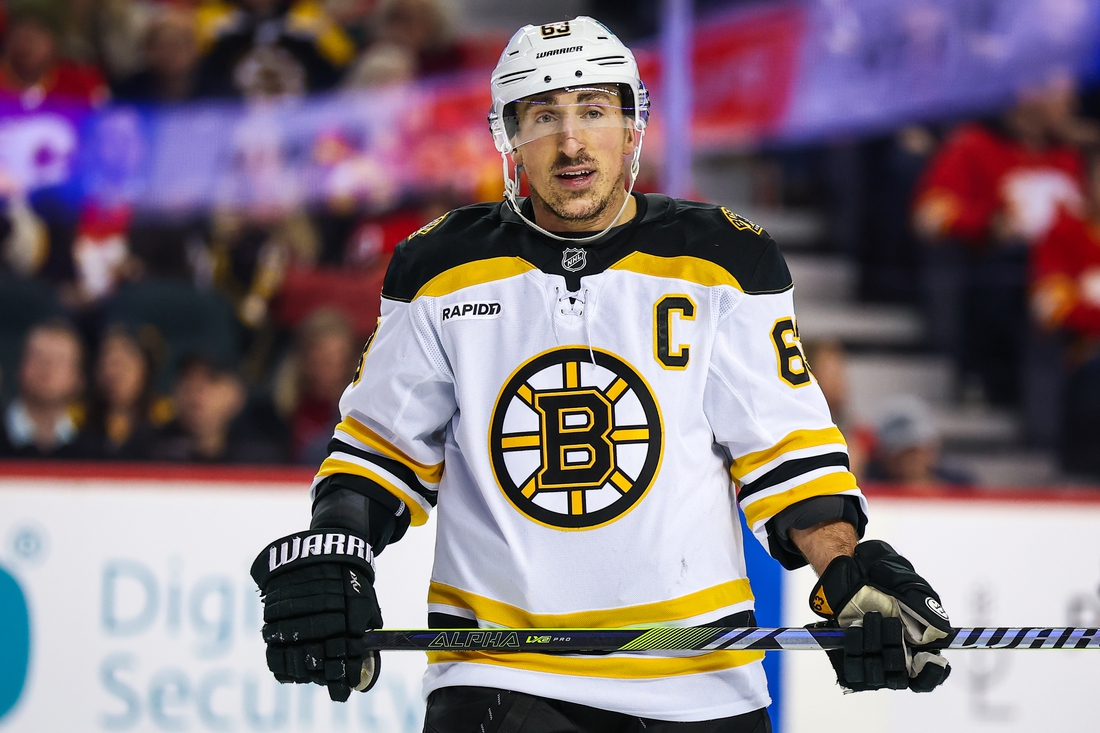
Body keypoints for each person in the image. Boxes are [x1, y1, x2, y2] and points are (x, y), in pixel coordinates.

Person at [250, 17, 953, 730]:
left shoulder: (724, 258)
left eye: (592, 110)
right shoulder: (439, 267)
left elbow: (788, 454)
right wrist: (337, 549)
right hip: (501, 675)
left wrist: (845, 572)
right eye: (543, 116)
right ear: (509, 135)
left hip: (701, 678)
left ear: (631, 125)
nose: (571, 142)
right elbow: (377, 454)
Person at [152, 352, 284, 463]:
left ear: (237, 394)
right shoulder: (150, 452)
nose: (195, 389)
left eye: (211, 379)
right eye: (187, 378)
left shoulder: (260, 459)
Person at [77, 324, 169, 460]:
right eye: (108, 363)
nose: (114, 373)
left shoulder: (165, 418)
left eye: (124, 364)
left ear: (145, 369)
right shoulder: (78, 420)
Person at [0, 319, 85, 458]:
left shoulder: (93, 452)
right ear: (20, 366)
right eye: (38, 356)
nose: (47, 367)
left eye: (59, 361)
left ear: (77, 378)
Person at [864, 396, 973, 488]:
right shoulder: (870, 486)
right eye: (904, 452)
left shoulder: (962, 483)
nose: (914, 460)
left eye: (919, 449)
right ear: (884, 457)